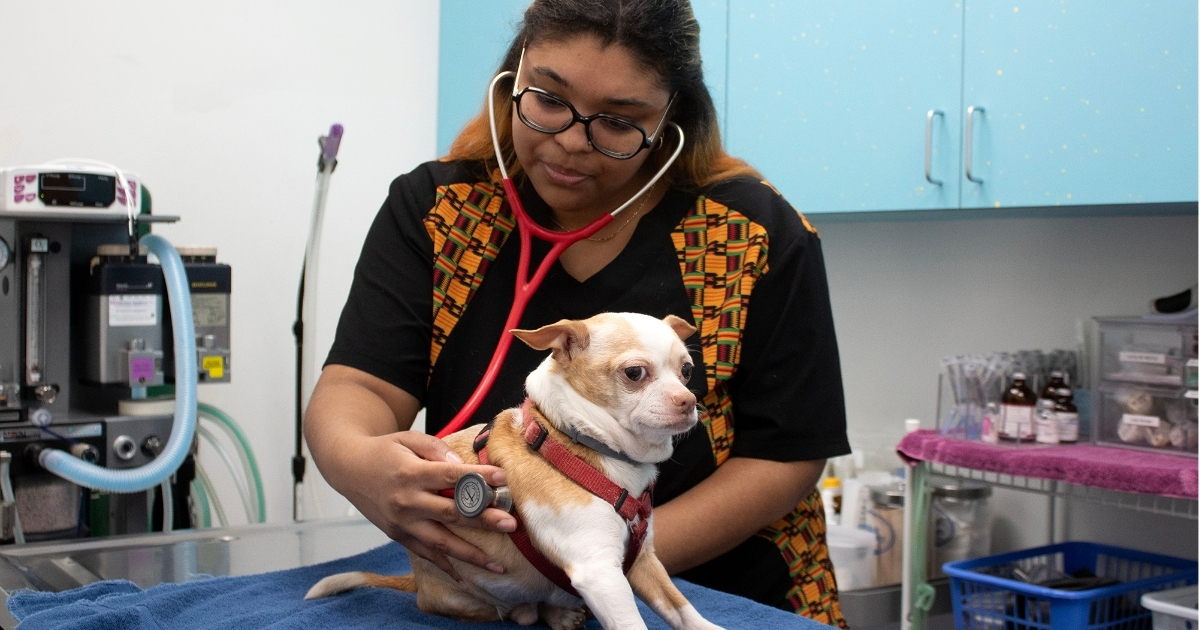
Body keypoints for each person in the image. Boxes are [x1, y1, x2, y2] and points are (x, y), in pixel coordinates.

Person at [304, 0, 852, 625]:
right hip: (499, 593)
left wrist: (592, 551)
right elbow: (358, 387)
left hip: (726, 591)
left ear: (672, 122)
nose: (569, 140)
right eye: (547, 99)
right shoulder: (439, 211)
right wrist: (362, 469)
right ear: (513, 81)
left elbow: (787, 456)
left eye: (618, 123)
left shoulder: (751, 236)